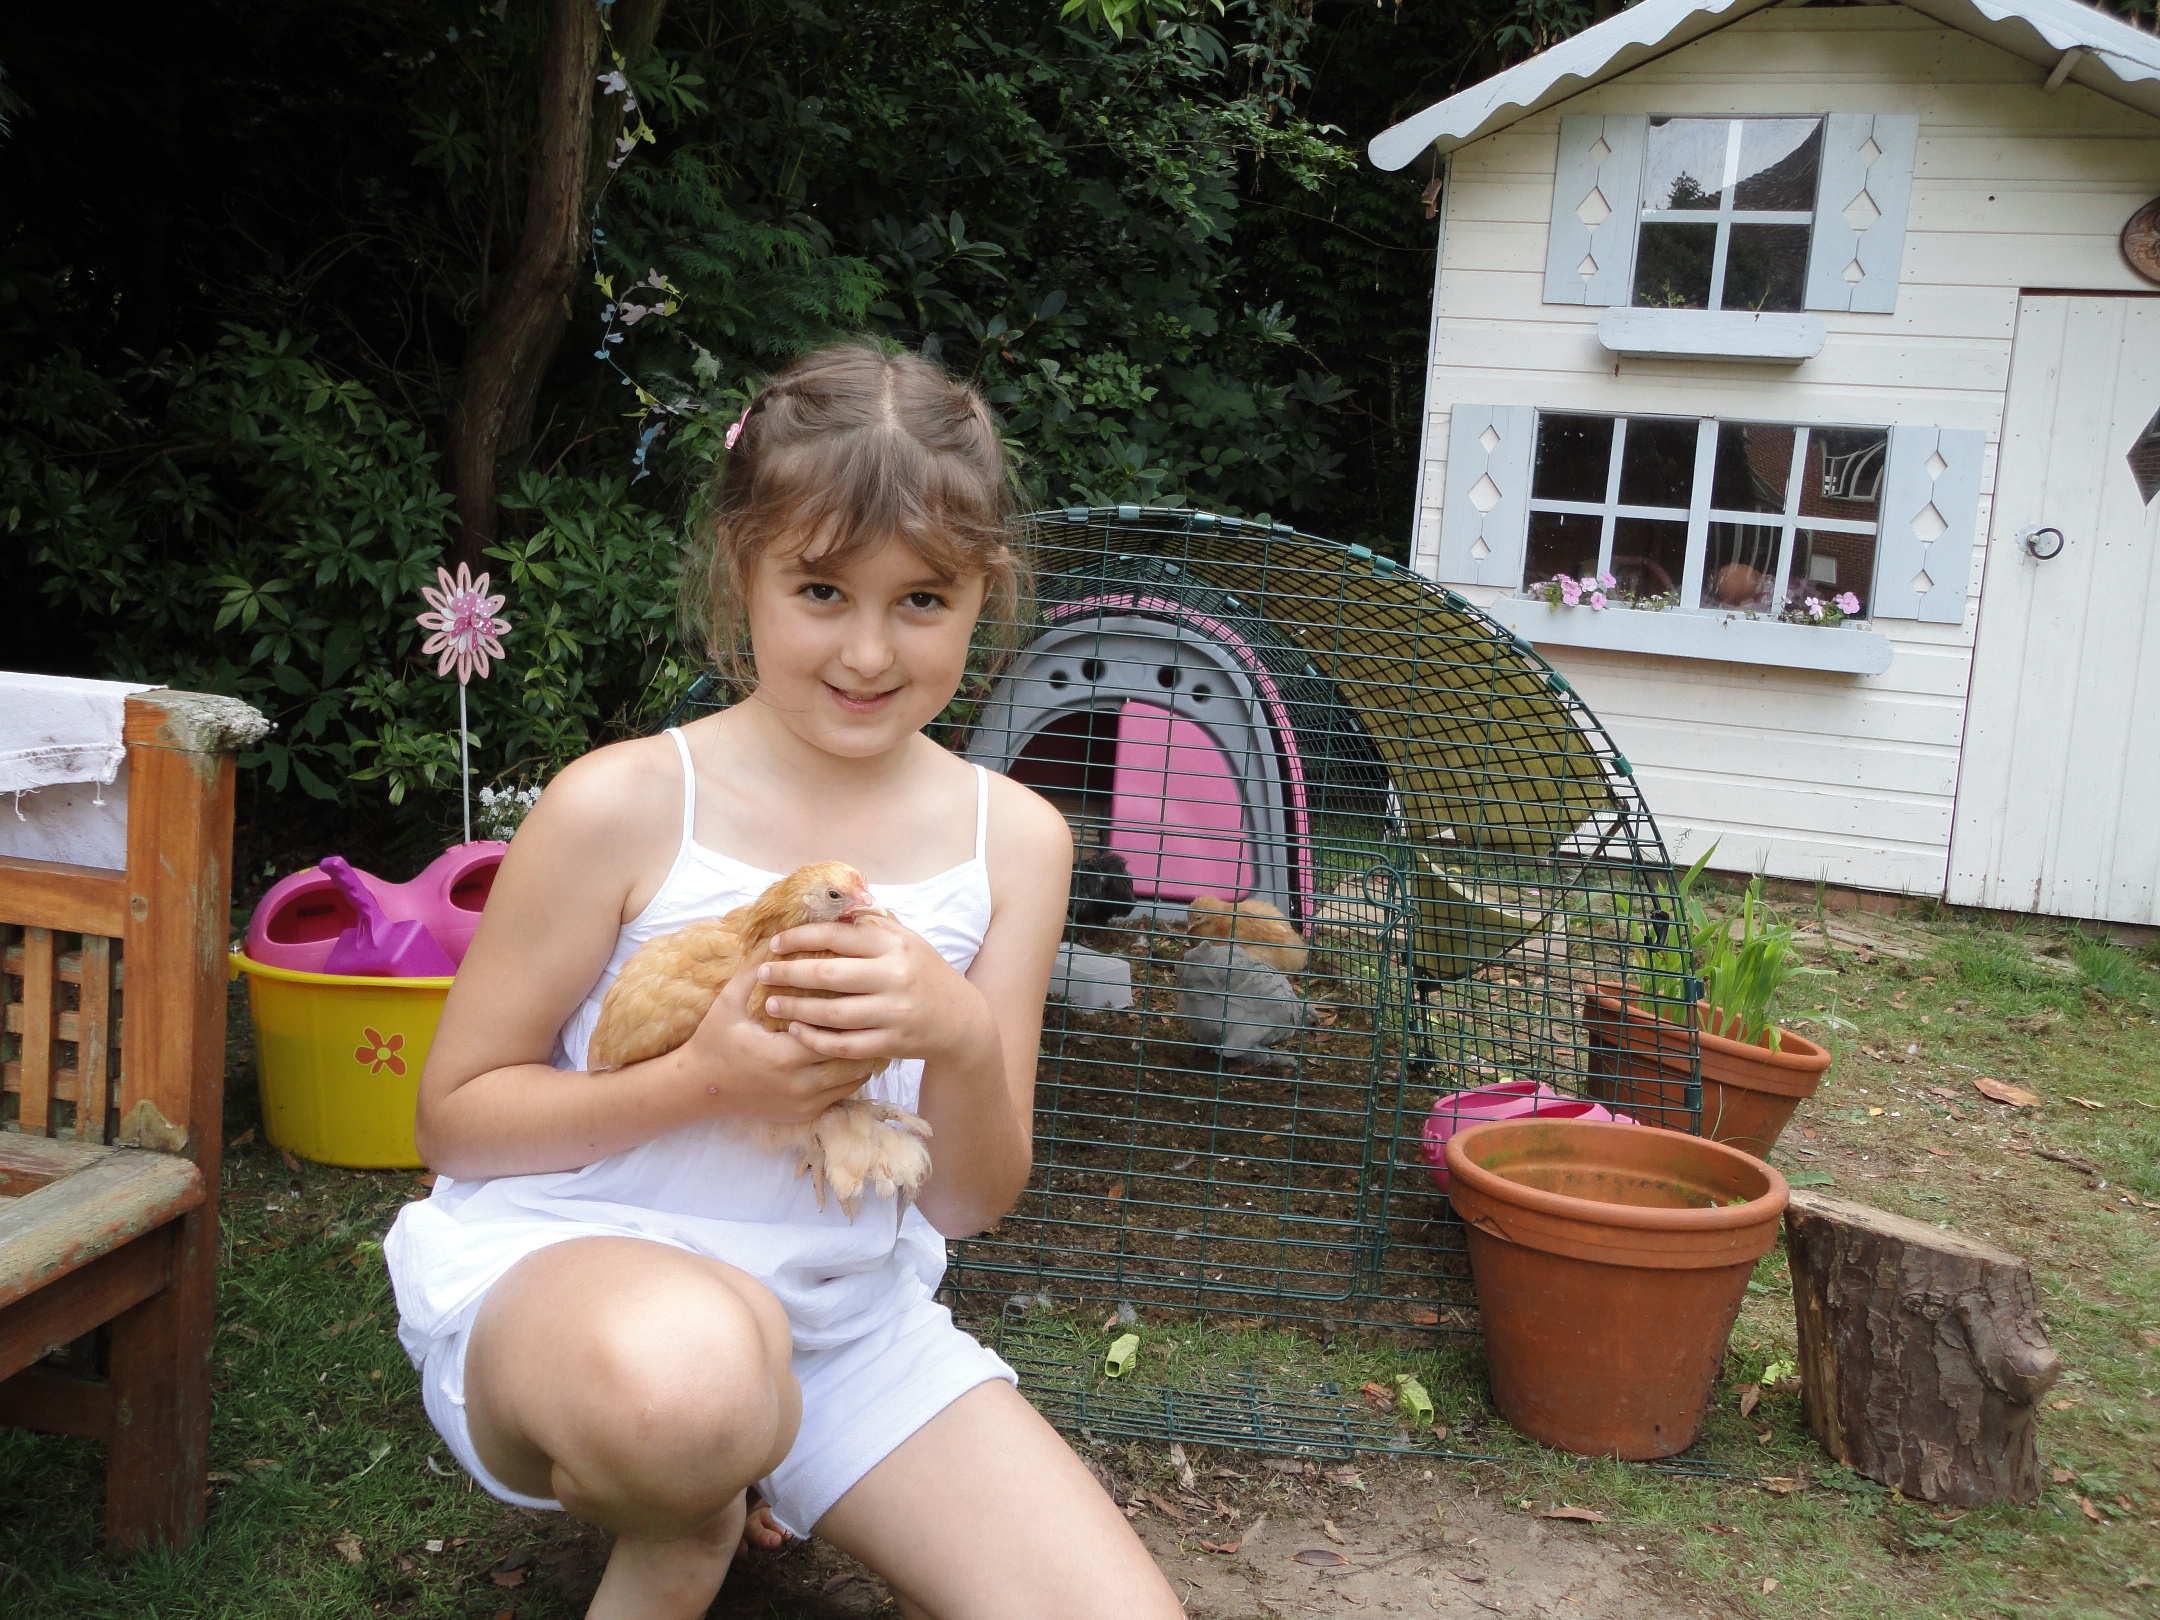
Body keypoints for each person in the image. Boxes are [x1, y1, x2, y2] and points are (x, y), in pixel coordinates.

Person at [384, 344, 1183, 1620]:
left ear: (988, 592)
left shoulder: (1017, 843)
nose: (868, 650)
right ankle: (688, 1518)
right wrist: (703, 1081)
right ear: (737, 571)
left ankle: (760, 1450)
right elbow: (455, 1119)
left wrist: (959, 1034)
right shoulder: (626, 804)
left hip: (843, 1332)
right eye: (820, 589)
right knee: (694, 1390)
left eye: (922, 599)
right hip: (577, 1284)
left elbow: (973, 1199)